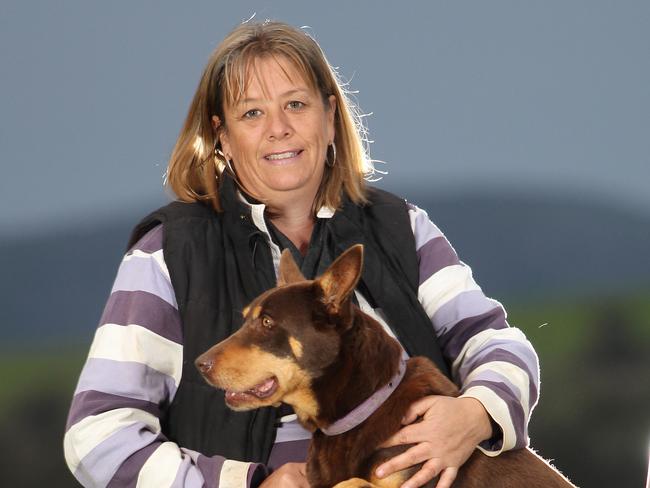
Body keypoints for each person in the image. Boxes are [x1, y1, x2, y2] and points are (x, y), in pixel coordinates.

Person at [64, 20, 539, 488]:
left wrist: (475, 414)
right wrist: (242, 484)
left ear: (330, 118)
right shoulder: (168, 254)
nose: (279, 129)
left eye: (296, 104)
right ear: (223, 138)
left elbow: (497, 344)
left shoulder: (401, 228)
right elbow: (97, 435)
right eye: (252, 113)